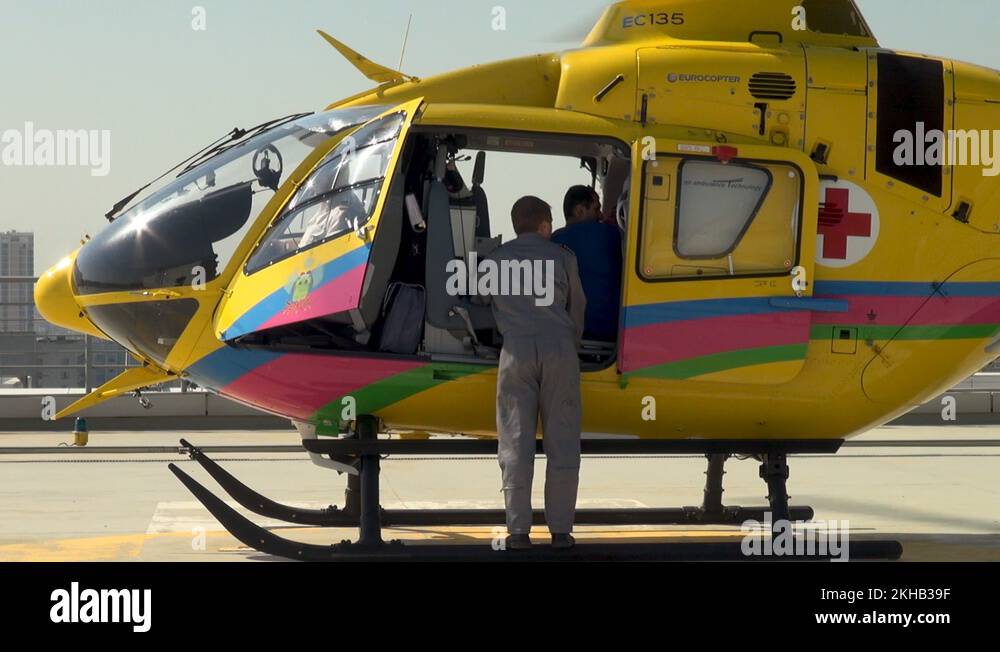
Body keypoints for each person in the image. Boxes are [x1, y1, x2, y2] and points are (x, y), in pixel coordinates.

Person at [480, 196, 586, 551]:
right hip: (559, 350)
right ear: (544, 226)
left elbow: (480, 304)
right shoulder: (563, 256)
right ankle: (560, 532)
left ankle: (518, 531)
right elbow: (578, 308)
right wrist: (570, 343)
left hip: (515, 351)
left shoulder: (495, 260)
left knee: (515, 441)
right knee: (562, 441)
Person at [551, 185, 623, 342]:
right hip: (608, 329)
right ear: (579, 210)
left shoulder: (553, 241)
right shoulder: (610, 234)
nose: (601, 215)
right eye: (596, 209)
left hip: (566, 330)